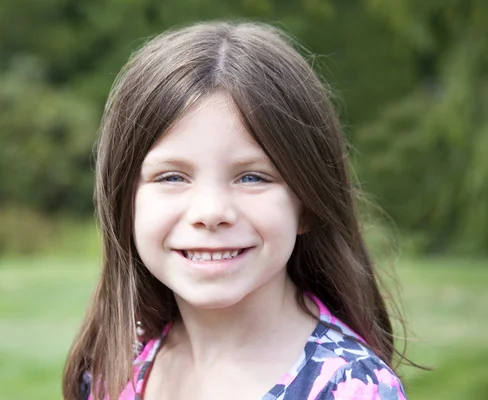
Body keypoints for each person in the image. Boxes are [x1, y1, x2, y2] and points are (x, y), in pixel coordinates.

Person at [63, 21, 409, 400]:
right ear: (124, 203)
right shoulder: (113, 369)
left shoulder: (350, 388)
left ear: (308, 202)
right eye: (172, 177)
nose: (211, 212)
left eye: (252, 178)